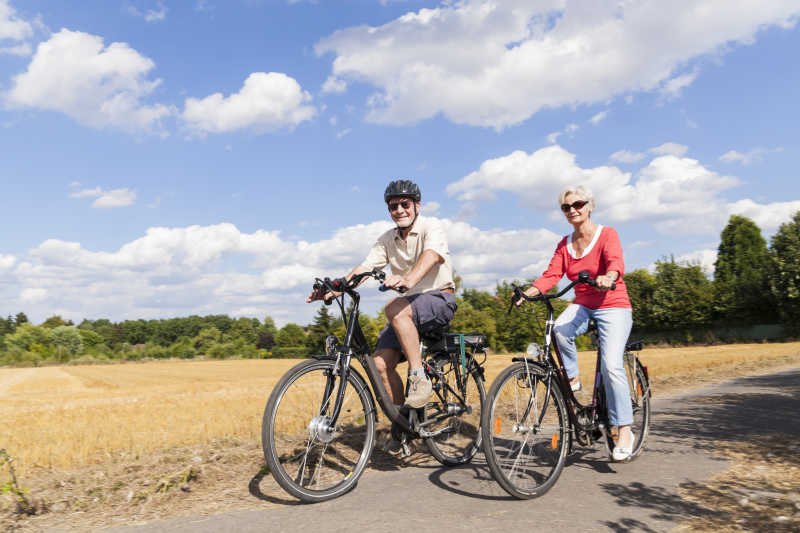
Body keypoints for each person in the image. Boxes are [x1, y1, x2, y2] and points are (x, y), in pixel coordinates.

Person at [307, 179, 457, 414]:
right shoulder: (387, 239)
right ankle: (403, 427)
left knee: (394, 307)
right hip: (406, 309)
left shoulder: (431, 226)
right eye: (392, 206)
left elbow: (432, 255)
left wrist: (409, 280)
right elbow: (366, 266)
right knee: (379, 365)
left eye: (404, 204)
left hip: (438, 298)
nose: (399, 210)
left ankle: (419, 377)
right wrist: (335, 289)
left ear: (417, 205)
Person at [517, 185, 635, 461]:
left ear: (590, 206)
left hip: (612, 304)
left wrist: (610, 276)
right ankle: (573, 378)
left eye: (578, 204)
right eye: (566, 207)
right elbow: (552, 275)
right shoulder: (565, 243)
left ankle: (624, 429)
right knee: (558, 329)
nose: (573, 210)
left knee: (611, 366)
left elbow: (616, 262)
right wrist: (529, 292)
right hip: (583, 303)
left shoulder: (608, 234)